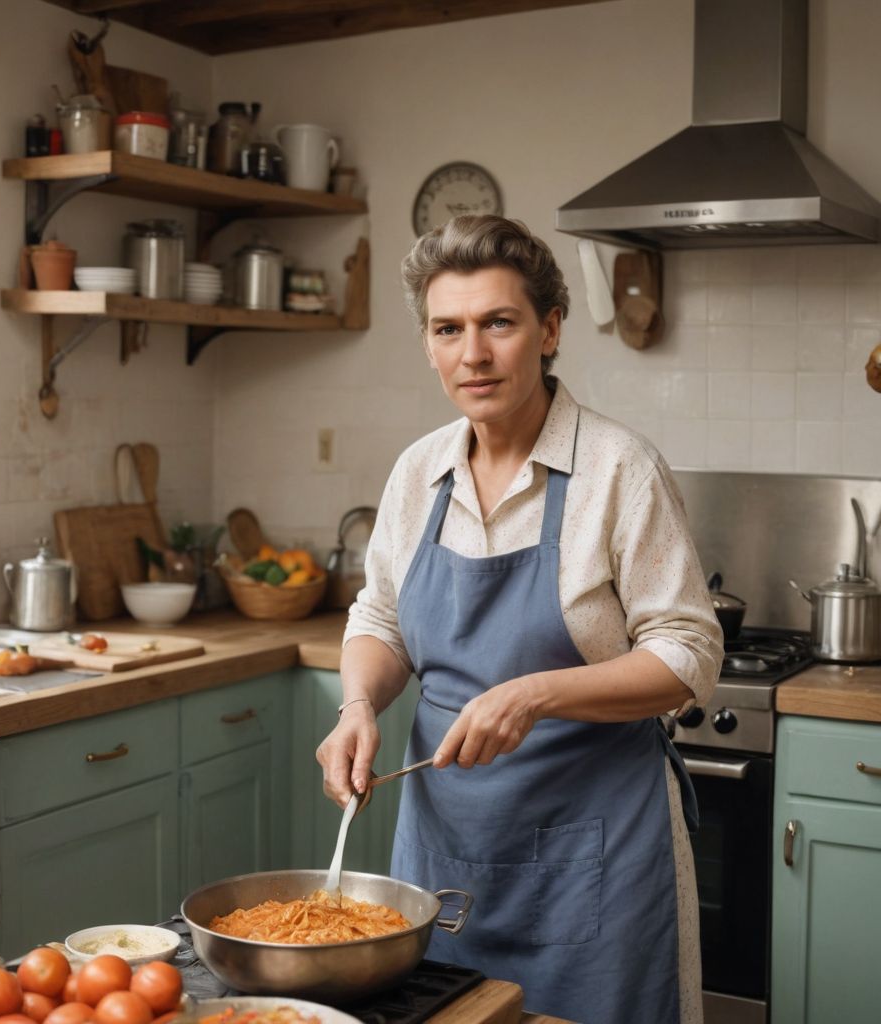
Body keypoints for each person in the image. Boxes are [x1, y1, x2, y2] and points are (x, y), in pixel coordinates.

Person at [316, 215, 723, 1024]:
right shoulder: (419, 471)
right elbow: (383, 617)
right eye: (449, 328)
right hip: (445, 856)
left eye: (498, 322)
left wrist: (533, 694)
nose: (474, 352)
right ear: (430, 345)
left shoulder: (618, 469)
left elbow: (688, 655)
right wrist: (358, 703)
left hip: (595, 860)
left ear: (549, 330)